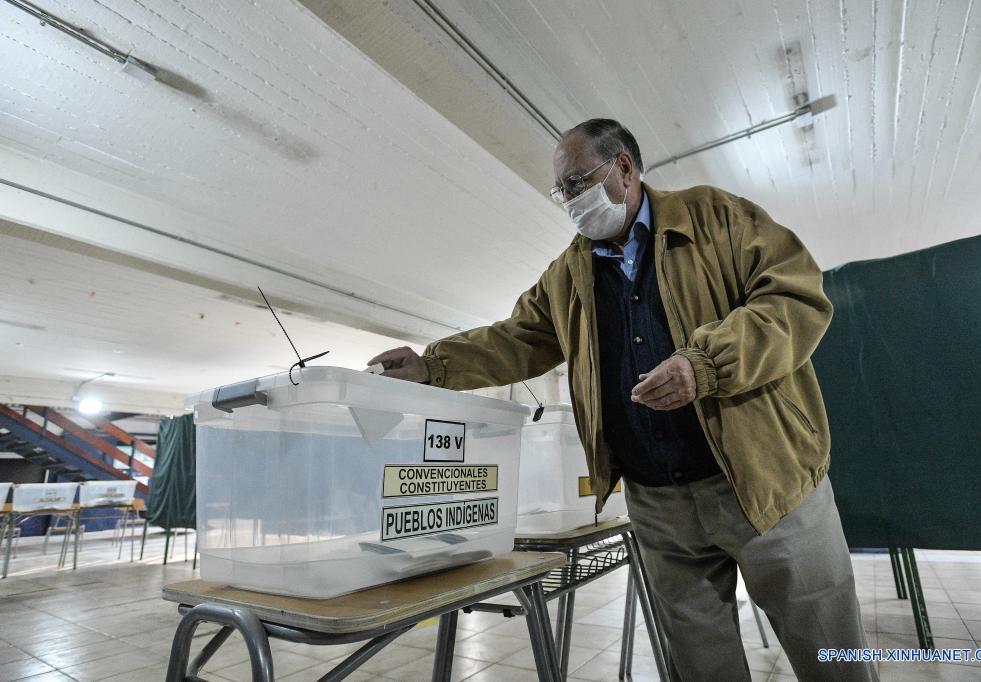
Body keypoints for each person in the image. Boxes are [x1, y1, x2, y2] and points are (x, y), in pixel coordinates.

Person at [368, 118, 877, 681]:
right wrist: (433, 364)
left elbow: (794, 297)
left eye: (578, 182)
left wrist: (705, 365)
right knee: (702, 664)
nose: (570, 200)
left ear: (625, 168)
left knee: (830, 649)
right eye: (561, 191)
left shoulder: (715, 218)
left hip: (766, 483)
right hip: (659, 508)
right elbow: (518, 337)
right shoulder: (568, 274)